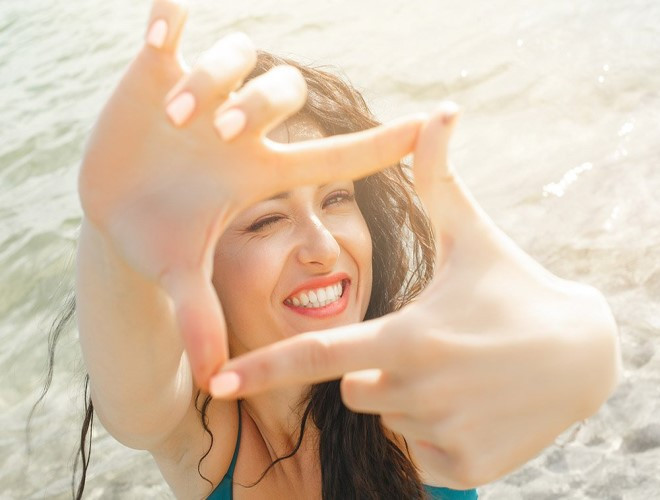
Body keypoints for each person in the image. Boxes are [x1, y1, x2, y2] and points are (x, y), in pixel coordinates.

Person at [59, 0, 621, 498]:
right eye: (266, 220)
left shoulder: (405, 394)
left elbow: (530, 358)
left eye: (336, 199)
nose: (323, 247)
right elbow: (132, 401)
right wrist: (110, 234)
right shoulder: (205, 435)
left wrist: (590, 345)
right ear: (198, 265)